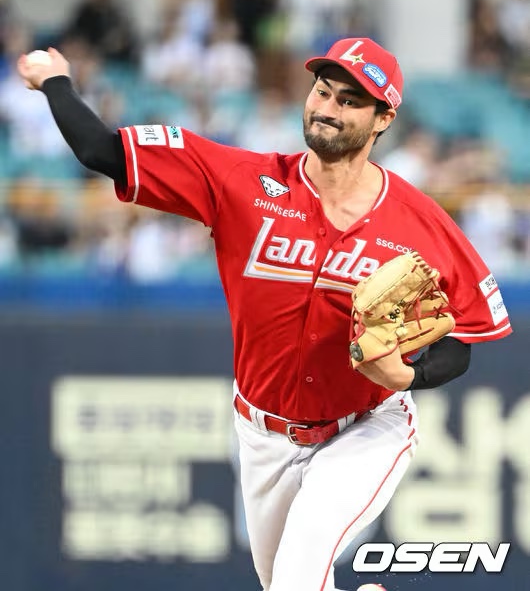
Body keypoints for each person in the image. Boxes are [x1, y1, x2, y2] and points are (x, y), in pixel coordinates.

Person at [17, 37, 512, 590]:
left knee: (297, 579)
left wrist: (409, 376)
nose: (328, 108)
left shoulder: (420, 222)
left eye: (350, 101)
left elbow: (464, 338)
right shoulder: (242, 181)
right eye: (323, 91)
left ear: (383, 119)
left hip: (366, 428)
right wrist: (55, 81)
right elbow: (102, 152)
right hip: (260, 435)